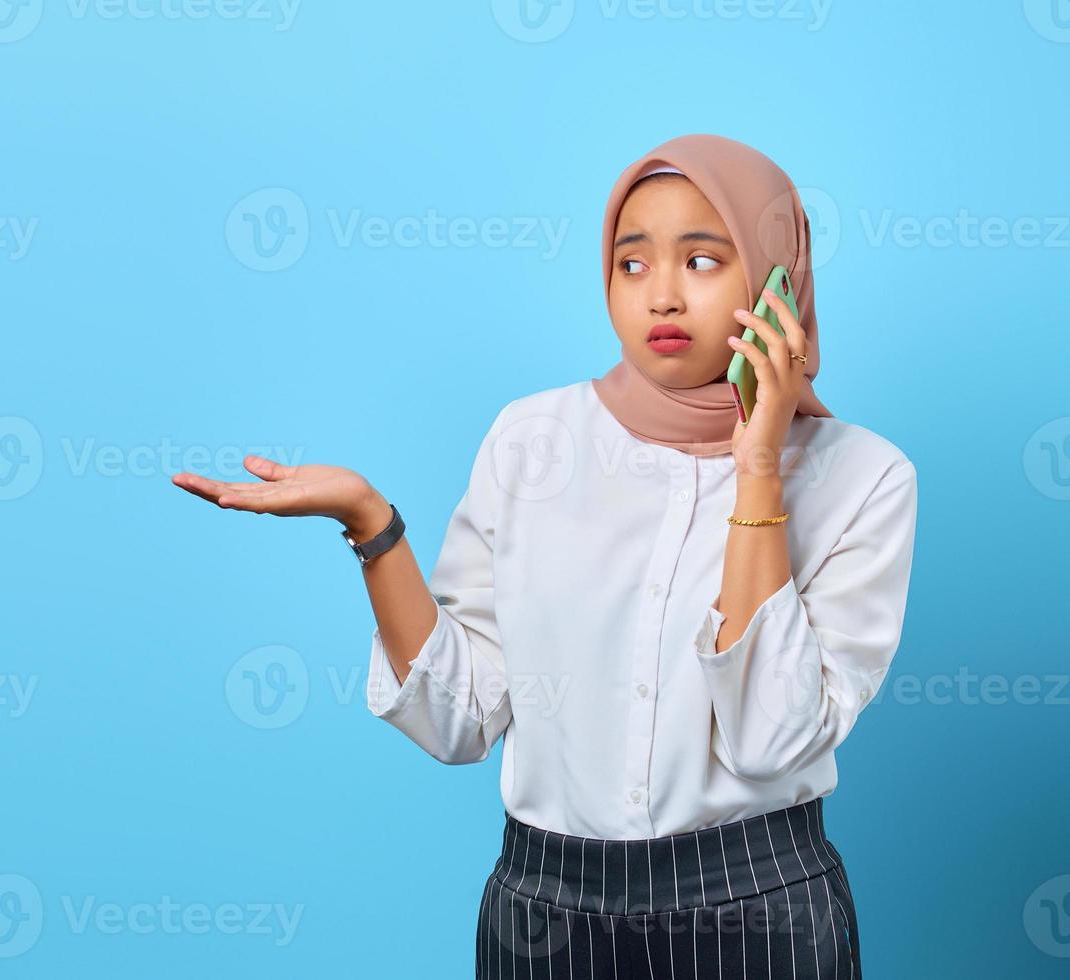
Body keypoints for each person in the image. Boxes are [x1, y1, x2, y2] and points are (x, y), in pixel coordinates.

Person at [171, 133, 917, 979]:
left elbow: (768, 739)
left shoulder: (863, 478)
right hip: (546, 915)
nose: (661, 297)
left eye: (704, 261)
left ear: (780, 276)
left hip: (757, 907)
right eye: (631, 265)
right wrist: (372, 526)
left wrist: (756, 468)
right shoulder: (533, 441)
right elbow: (456, 720)